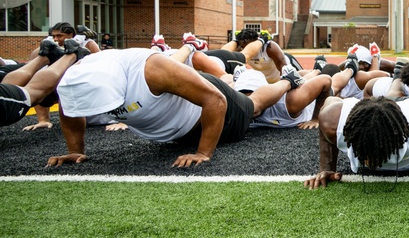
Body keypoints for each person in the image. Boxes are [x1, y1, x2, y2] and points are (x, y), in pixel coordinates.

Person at [49, 47, 305, 168]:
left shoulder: (152, 70)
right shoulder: (75, 81)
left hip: (212, 108)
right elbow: (69, 112)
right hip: (179, 127)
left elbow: (215, 101)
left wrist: (203, 153)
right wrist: (75, 151)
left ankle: (287, 81)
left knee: (254, 105)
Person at [304, 56, 409, 188]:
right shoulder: (333, 121)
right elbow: (328, 105)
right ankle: (399, 73)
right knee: (391, 96)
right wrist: (327, 168)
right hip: (383, 109)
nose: (370, 163)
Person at [1, 38, 89, 128]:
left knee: (32, 91)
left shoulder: (88, 42)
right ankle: (47, 56)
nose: (56, 38)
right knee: (23, 89)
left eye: (59, 35)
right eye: (54, 35)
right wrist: (43, 120)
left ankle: (72, 54)